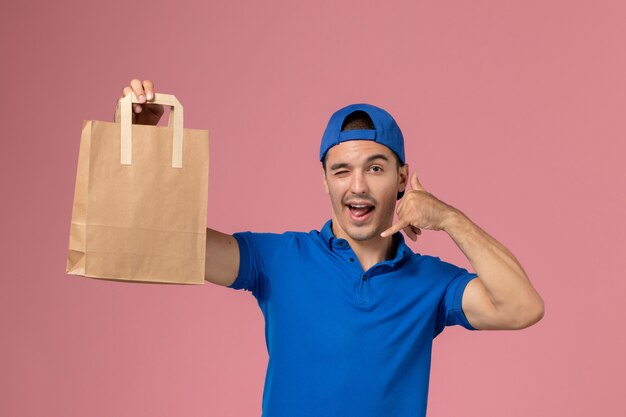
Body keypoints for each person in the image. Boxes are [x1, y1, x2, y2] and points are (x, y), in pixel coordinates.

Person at [116, 79, 545, 417]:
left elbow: (522, 307)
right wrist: (141, 144)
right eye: (342, 171)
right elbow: (161, 240)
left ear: (401, 178)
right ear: (324, 180)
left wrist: (450, 219)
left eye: (375, 168)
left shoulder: (431, 283)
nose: (357, 186)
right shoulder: (278, 260)